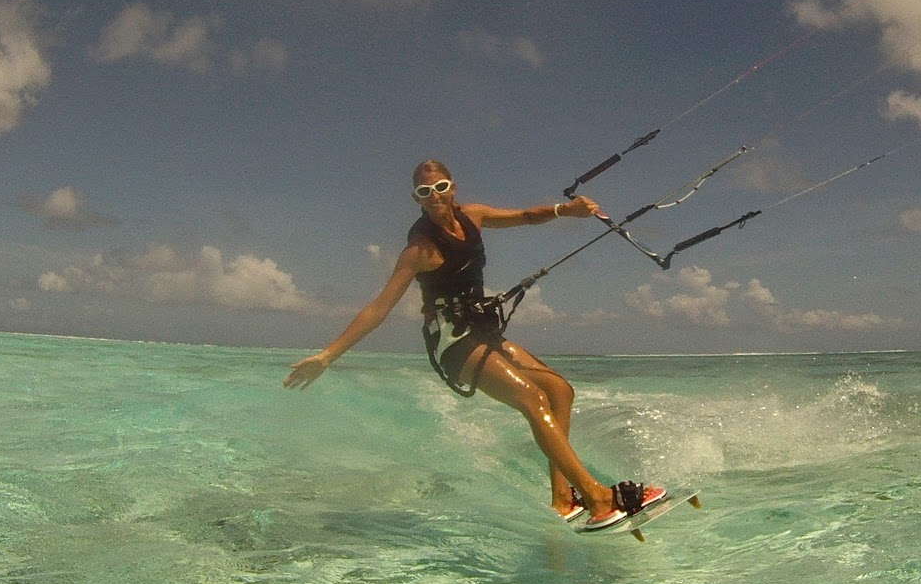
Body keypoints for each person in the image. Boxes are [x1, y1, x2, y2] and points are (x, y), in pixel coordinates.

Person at [283, 159, 664, 531]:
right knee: (532, 399)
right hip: (453, 343)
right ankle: (597, 498)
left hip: (483, 332)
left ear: (453, 188)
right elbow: (379, 308)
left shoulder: (475, 215)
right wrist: (328, 355)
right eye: (424, 192)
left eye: (441, 188)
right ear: (416, 198)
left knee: (560, 391)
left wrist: (568, 210)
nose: (435, 197)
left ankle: (563, 500)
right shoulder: (419, 250)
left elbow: (527, 216)